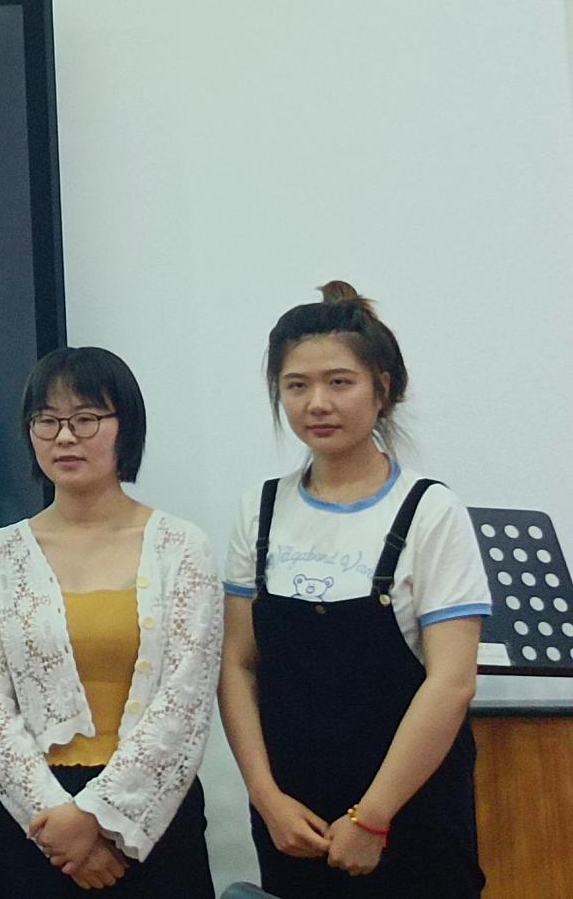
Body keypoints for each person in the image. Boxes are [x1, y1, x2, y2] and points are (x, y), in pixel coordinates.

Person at [218, 282, 488, 897]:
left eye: (339, 382)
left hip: (411, 816)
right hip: (293, 821)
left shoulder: (429, 511)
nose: (317, 403)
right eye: (296, 385)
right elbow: (238, 664)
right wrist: (265, 796)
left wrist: (373, 817)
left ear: (382, 389)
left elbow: (451, 682)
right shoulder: (260, 509)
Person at [0, 347, 219, 897]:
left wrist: (99, 820)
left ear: (126, 426)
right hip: (40, 826)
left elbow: (186, 702)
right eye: (47, 420)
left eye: (85, 419)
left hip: (153, 818)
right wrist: (62, 827)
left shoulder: (181, 547)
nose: (64, 437)